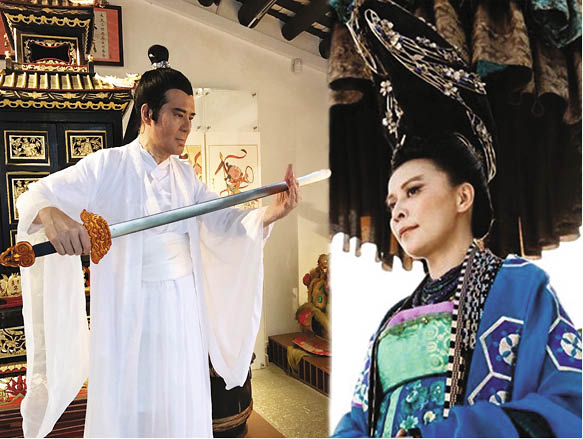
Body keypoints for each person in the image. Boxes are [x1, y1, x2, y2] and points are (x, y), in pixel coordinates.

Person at [332, 0, 582, 436]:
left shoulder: (522, 289)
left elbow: (571, 403)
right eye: (391, 203)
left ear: (463, 196)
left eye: (413, 190)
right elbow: (357, 420)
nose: (398, 211)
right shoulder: (392, 320)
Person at [16, 67, 299, 437]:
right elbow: (33, 197)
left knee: (180, 397)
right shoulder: (108, 165)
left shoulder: (186, 176)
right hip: (131, 308)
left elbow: (223, 221)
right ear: (148, 114)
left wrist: (271, 213)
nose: (187, 127)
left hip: (182, 307)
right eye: (178, 115)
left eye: (191, 117)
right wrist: (52, 214)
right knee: (134, 399)